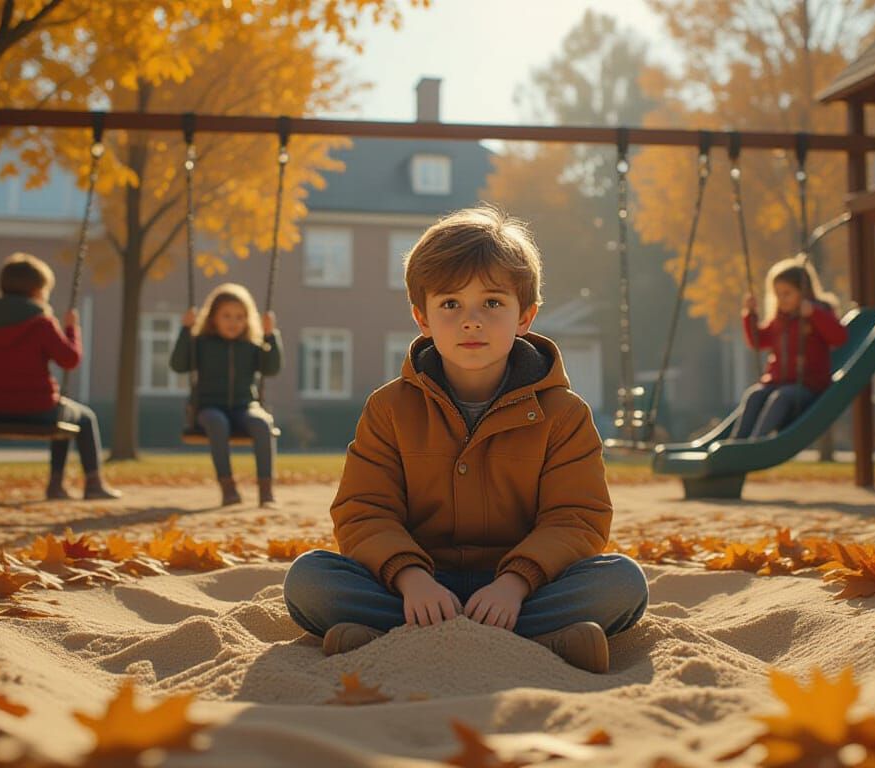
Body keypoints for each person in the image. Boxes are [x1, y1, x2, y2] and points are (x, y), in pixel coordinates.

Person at [282, 205, 648, 674]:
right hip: (416, 588)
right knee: (311, 581)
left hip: (521, 589)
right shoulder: (389, 408)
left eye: (492, 303)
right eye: (450, 304)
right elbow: (364, 511)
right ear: (422, 318)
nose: (471, 321)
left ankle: (390, 639)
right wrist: (411, 579)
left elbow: (577, 519)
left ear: (525, 316)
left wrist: (515, 583)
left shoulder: (565, 415)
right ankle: (538, 643)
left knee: (621, 583)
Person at [0, 253, 120, 500]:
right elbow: (69, 359)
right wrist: (72, 328)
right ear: (37, 290)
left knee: (63, 416)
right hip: (36, 409)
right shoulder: (41, 323)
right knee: (83, 417)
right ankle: (91, 484)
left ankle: (57, 487)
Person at [171, 283, 281, 507]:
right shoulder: (201, 343)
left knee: (262, 423)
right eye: (227, 316)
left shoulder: (251, 345)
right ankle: (228, 488)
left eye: (240, 317)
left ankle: (266, 490)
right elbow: (179, 365)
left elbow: (271, 368)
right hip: (209, 407)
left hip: (244, 406)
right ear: (213, 318)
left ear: (248, 319)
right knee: (217, 421)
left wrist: (270, 335)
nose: (234, 322)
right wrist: (185, 330)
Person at [732, 257, 848, 439]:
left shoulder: (818, 312)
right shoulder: (780, 320)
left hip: (808, 386)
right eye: (777, 294)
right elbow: (758, 342)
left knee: (782, 397)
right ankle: (735, 443)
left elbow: (839, 338)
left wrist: (814, 314)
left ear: (804, 292)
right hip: (777, 382)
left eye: (787, 293)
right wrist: (750, 315)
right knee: (754, 395)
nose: (781, 299)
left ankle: (756, 442)